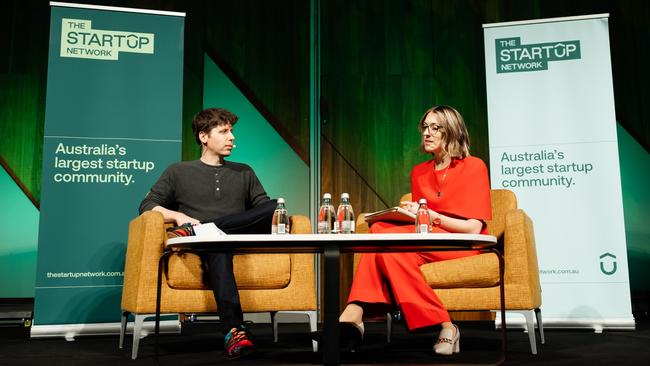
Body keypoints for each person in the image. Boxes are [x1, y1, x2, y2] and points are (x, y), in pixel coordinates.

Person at [338, 105, 491, 355]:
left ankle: (354, 313)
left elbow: (473, 227)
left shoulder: (474, 166)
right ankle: (447, 326)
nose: (427, 134)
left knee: (384, 239)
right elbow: (422, 225)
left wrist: (433, 217)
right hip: (428, 242)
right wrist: (412, 214)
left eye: (435, 128)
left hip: (462, 243)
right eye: (425, 128)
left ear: (451, 131)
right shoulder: (419, 172)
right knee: (381, 231)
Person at [139, 108, 277, 359]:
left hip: (228, 237)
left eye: (232, 131)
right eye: (224, 132)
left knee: (275, 205)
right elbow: (147, 206)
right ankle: (234, 330)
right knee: (217, 245)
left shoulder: (244, 171)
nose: (231, 137)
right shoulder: (178, 171)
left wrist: (206, 228)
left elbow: (264, 209)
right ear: (203, 137)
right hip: (205, 246)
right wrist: (179, 217)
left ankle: (206, 229)